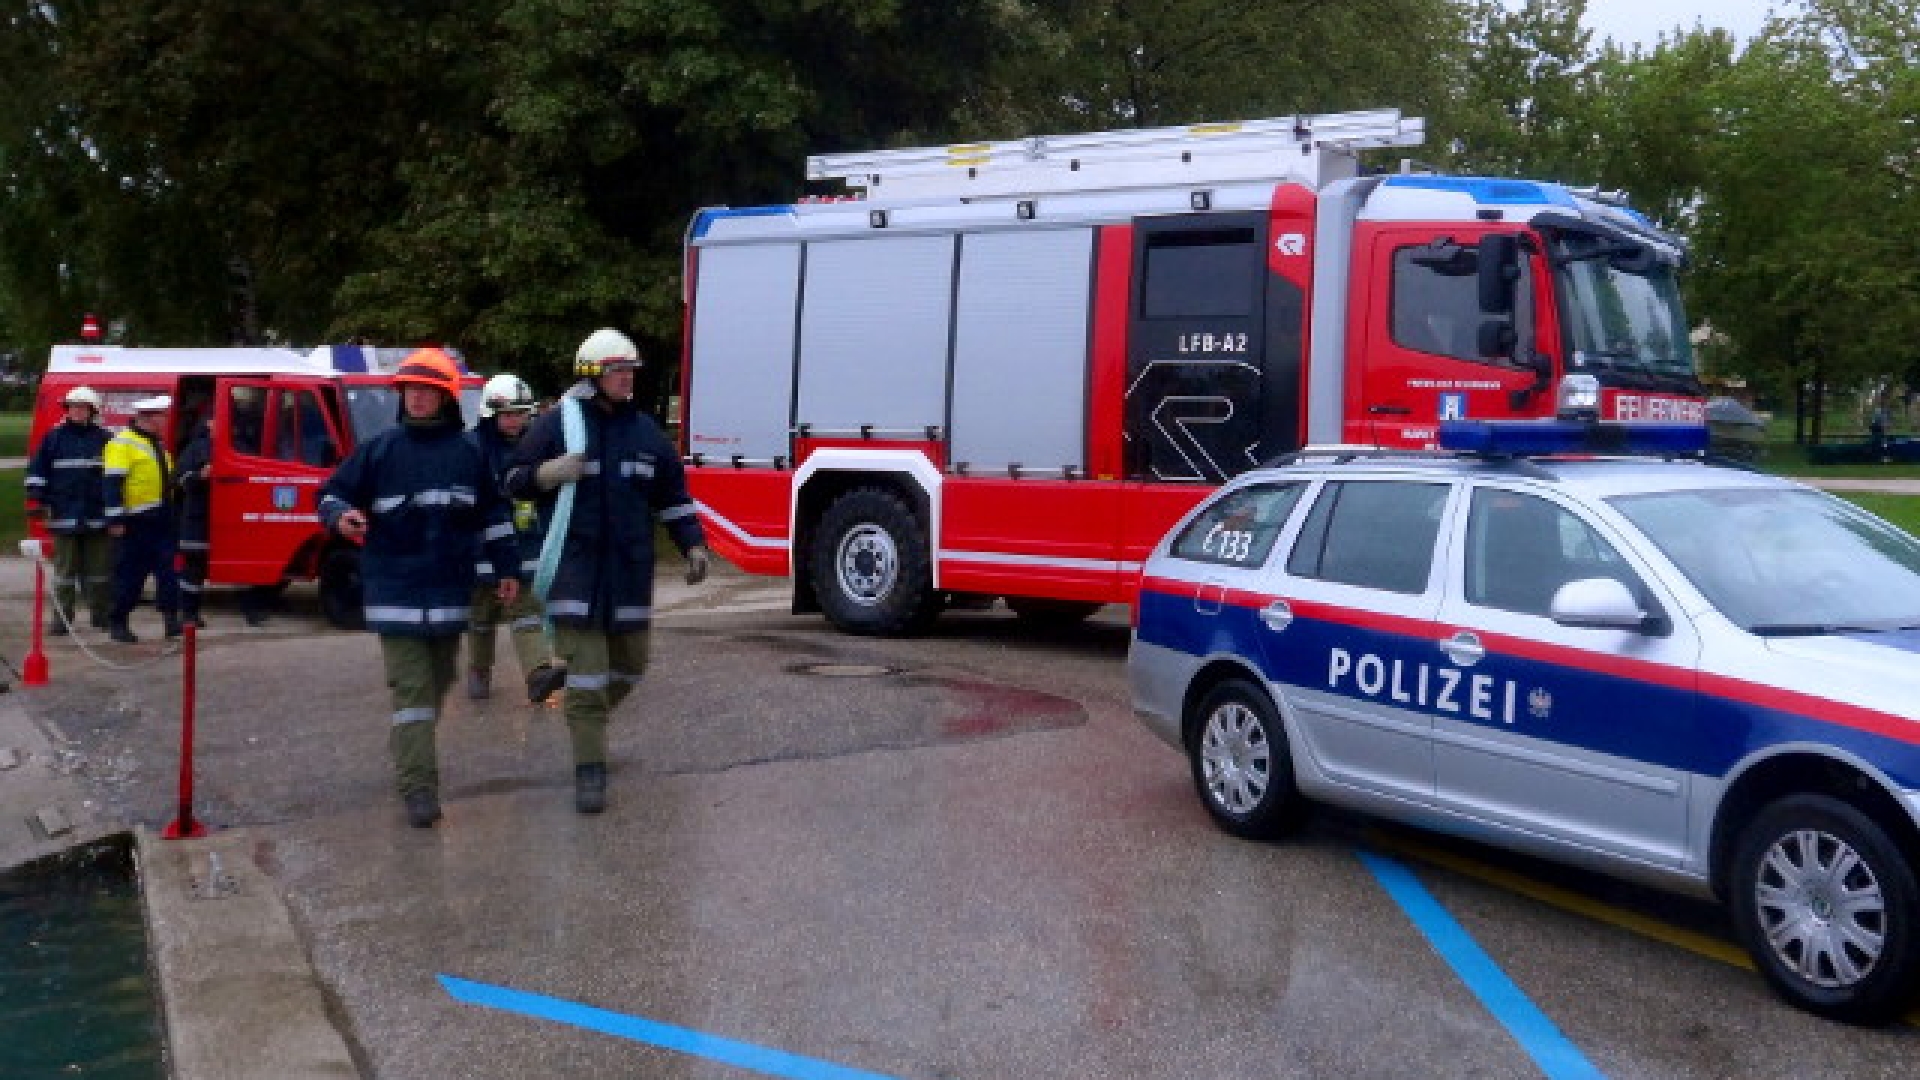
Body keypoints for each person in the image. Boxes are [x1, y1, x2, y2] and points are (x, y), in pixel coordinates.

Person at [504, 327, 710, 814]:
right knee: (592, 676)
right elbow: (513, 480)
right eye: (618, 371)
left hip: (628, 575)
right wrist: (547, 473)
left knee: (630, 670)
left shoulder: (646, 434)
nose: (627, 379)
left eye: (630, 371)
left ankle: (580, 706)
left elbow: (673, 499)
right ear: (593, 376)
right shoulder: (557, 426)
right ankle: (589, 772)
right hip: (575, 573)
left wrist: (694, 546)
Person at [318, 348, 521, 828]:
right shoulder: (381, 450)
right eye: (410, 390)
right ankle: (419, 788)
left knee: (433, 687)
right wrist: (340, 517)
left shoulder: (470, 453)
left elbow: (495, 517)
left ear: (446, 397)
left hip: (450, 592)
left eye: (427, 390)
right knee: (412, 690)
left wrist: (508, 568)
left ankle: (406, 755)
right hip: (397, 591)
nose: (417, 398)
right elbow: (331, 493)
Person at [464, 372, 563, 701]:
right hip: (480, 549)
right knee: (480, 616)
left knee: (525, 609)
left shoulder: (536, 447)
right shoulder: (471, 448)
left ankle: (537, 674)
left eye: (521, 414)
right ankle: (479, 669)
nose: (515, 421)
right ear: (490, 413)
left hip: (523, 546)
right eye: (508, 414)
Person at [23, 386, 113, 635]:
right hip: (63, 513)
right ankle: (62, 619)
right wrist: (36, 499)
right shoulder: (54, 438)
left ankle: (101, 615)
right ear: (67, 409)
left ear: (92, 410)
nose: (77, 411)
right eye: (73, 406)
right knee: (64, 572)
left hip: (96, 515)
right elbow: (37, 471)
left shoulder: (105, 439)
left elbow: (115, 477)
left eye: (83, 407)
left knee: (99, 572)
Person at [103, 395, 182, 643]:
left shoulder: (156, 443)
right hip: (134, 521)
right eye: (163, 415)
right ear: (148, 418)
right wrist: (115, 519)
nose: (166, 419)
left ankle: (171, 620)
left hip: (161, 518)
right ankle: (118, 621)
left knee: (168, 572)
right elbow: (111, 484)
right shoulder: (122, 444)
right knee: (130, 574)